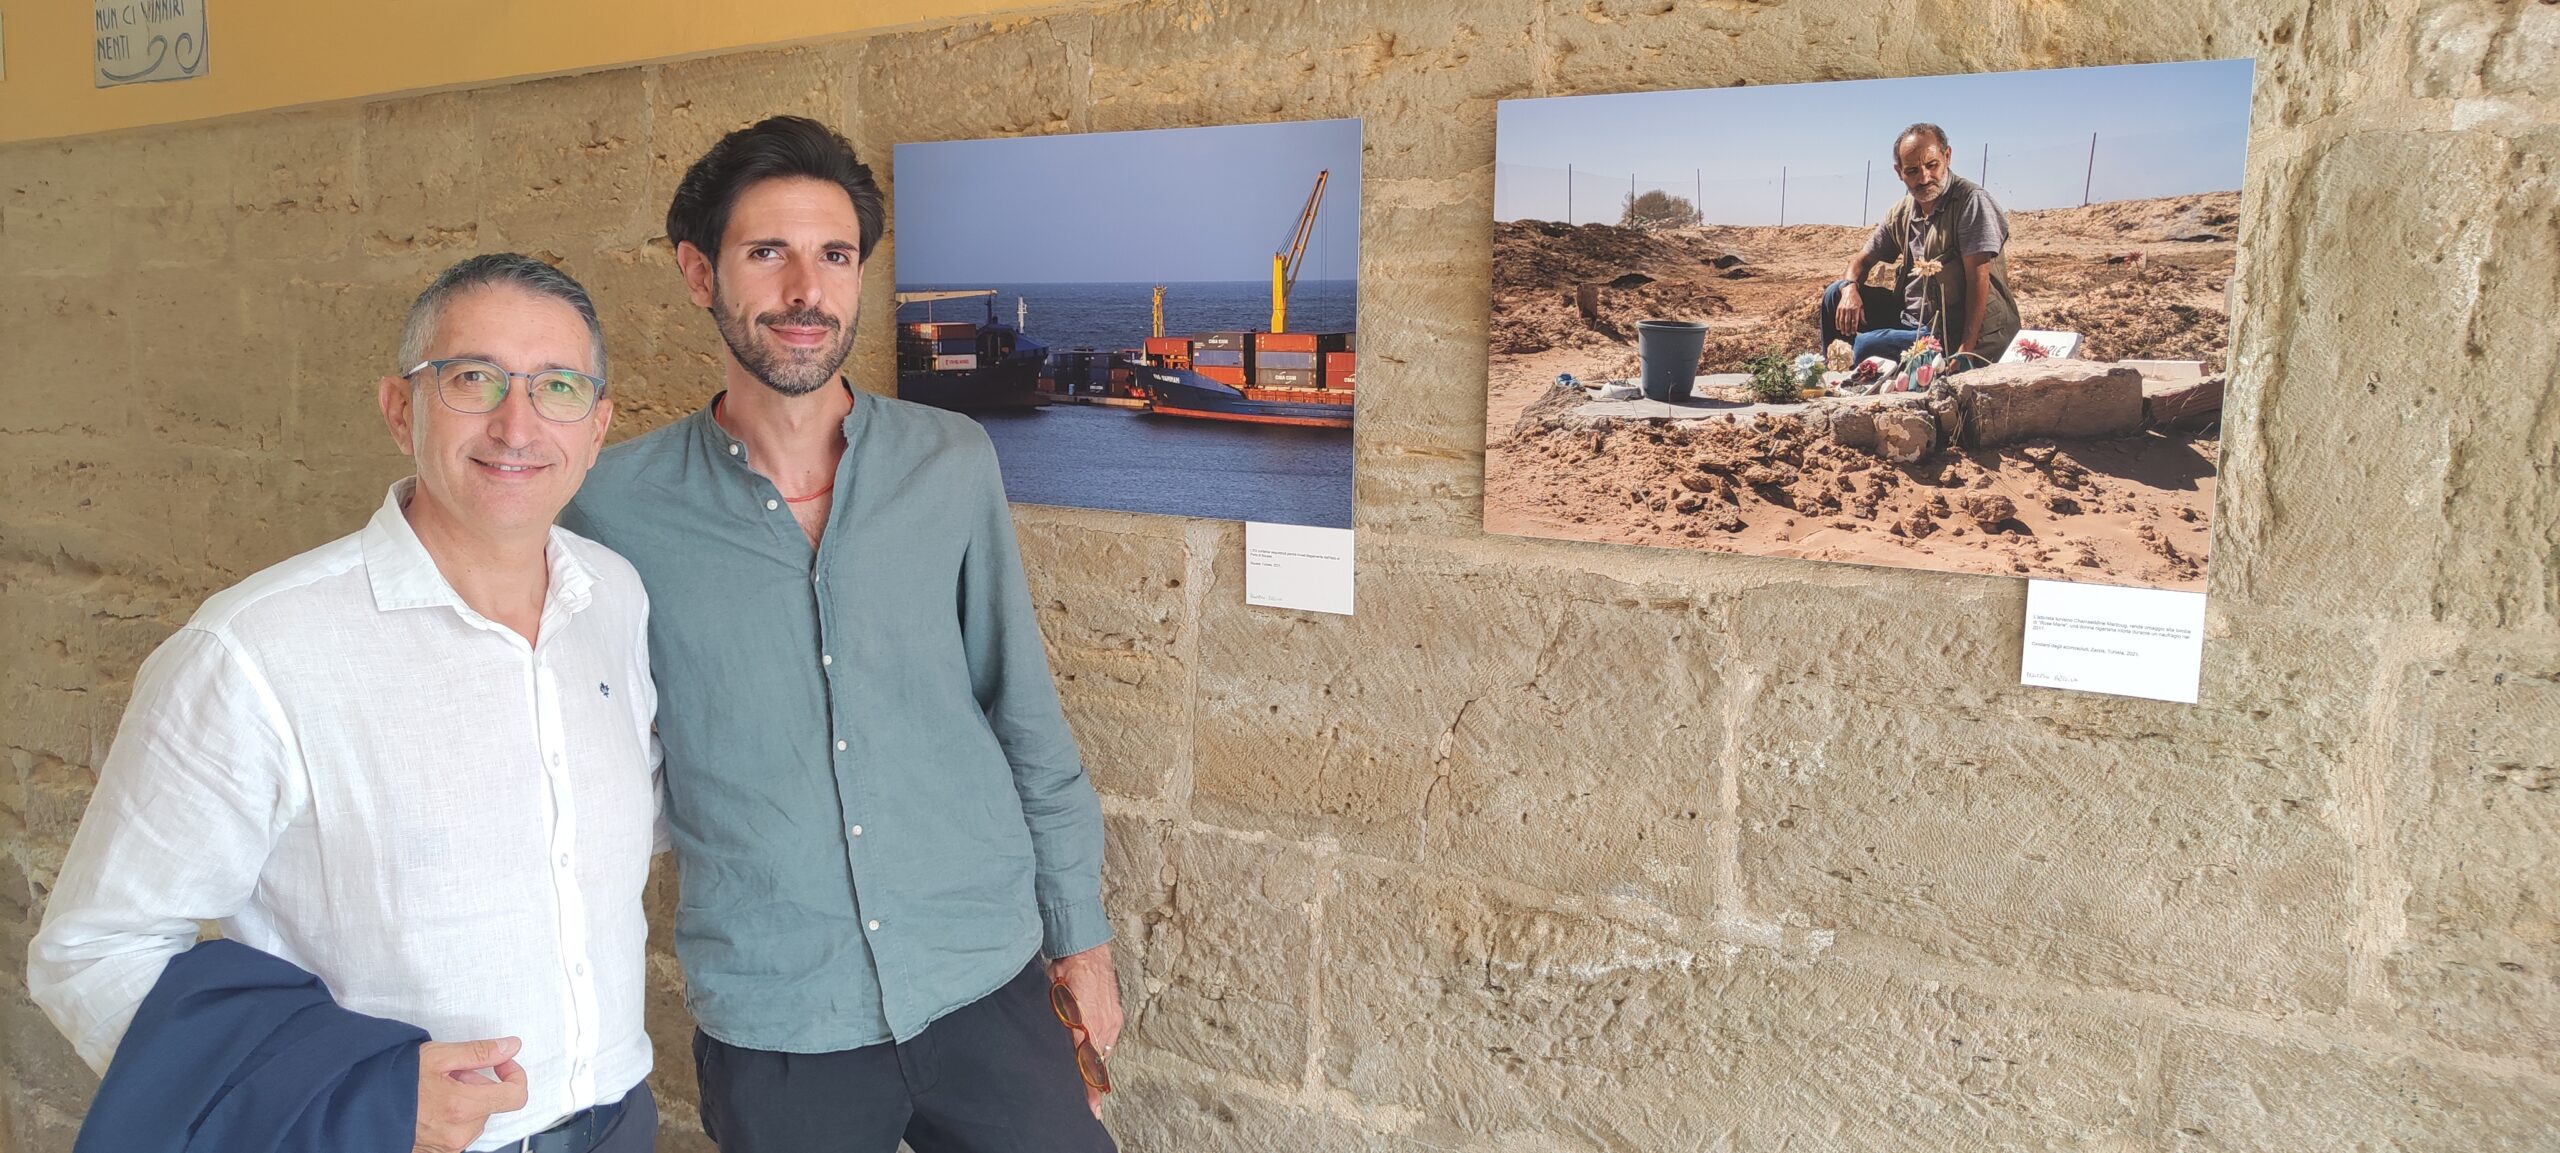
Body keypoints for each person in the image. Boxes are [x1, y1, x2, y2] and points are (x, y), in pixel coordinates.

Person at [558, 116, 1119, 1153]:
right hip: (779, 1012)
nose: (804, 290)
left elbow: (1021, 710)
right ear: (698, 272)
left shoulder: (949, 463)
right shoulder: (609, 511)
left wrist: (1079, 936)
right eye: (766, 252)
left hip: (984, 980)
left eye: (834, 255)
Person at [28, 253, 664, 1153]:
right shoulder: (256, 649)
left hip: (619, 1118)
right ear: (400, 407)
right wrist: (344, 1101)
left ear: (597, 426)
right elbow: (92, 951)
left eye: (557, 386)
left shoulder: (616, 596)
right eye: (473, 378)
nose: (517, 423)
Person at [1818, 122, 2022, 371]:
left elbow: (1977, 279)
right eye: (1913, 171)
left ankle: (1866, 370)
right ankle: (1829, 374)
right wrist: (1850, 289)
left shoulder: (1970, 202)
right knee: (1834, 294)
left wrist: (1966, 351)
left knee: (1866, 347)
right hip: (1912, 320)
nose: (1924, 178)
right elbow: (1861, 261)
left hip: (1954, 331)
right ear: (1899, 172)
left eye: (1932, 165)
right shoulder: (1904, 210)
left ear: (1947, 157)